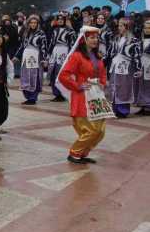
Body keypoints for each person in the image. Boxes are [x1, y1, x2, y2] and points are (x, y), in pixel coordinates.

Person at [57, 26, 112, 164]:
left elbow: (102, 72)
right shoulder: (77, 56)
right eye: (92, 38)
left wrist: (103, 82)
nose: (95, 40)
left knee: (100, 130)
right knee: (90, 129)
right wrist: (78, 85)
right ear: (84, 39)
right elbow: (64, 75)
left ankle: (83, 152)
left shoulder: (97, 55)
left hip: (97, 95)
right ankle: (75, 152)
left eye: (96, 38)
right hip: (82, 96)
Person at [108, 18, 142, 118]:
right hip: (115, 65)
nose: (119, 27)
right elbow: (110, 52)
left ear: (127, 27)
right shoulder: (116, 38)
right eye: (119, 25)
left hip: (126, 67)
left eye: (121, 25)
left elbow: (137, 56)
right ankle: (115, 109)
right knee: (114, 86)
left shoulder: (134, 41)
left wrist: (138, 68)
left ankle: (123, 110)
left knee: (124, 88)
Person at [14, 15, 47, 105]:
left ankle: (33, 97)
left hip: (35, 57)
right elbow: (22, 46)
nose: (33, 24)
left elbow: (44, 47)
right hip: (25, 56)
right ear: (28, 23)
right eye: (31, 23)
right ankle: (28, 97)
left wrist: (44, 59)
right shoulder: (26, 33)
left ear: (37, 24)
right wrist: (16, 56)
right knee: (25, 76)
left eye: (35, 23)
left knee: (34, 76)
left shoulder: (41, 33)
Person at [48, 15, 76, 102]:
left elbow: (72, 44)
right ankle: (56, 93)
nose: (60, 21)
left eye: (61, 19)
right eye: (58, 19)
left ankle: (62, 94)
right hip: (55, 52)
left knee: (61, 73)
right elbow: (51, 42)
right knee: (53, 73)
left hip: (64, 51)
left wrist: (70, 55)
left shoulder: (70, 31)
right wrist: (48, 53)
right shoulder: (55, 30)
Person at [135, 19, 150, 115]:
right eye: (145, 28)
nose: (147, 30)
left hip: (149, 64)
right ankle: (143, 105)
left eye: (149, 28)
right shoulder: (141, 40)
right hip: (141, 64)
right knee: (141, 85)